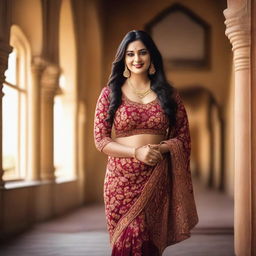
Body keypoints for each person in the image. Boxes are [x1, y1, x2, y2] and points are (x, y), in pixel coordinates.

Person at [94, 30, 198, 256]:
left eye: (142, 52)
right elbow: (100, 139)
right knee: (129, 240)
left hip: (155, 177)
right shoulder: (110, 94)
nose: (136, 59)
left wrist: (160, 148)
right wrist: (135, 152)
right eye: (130, 54)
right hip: (119, 182)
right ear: (124, 59)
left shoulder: (169, 95)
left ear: (152, 57)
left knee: (146, 243)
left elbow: (183, 137)